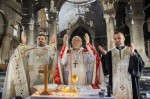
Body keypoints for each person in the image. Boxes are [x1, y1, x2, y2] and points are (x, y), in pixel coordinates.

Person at [2, 31, 58, 99]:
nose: (40, 40)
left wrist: (52, 44)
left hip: (45, 75)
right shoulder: (30, 48)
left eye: (42, 39)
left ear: (45, 40)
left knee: (44, 92)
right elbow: (21, 54)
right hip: (32, 75)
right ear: (36, 40)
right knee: (32, 92)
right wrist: (23, 44)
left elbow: (54, 57)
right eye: (39, 39)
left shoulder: (49, 49)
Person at [98, 31, 144, 99]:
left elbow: (140, 65)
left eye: (119, 38)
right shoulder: (110, 53)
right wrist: (104, 56)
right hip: (115, 85)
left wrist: (133, 55)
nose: (117, 40)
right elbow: (106, 69)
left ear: (124, 39)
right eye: (115, 39)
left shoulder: (132, 50)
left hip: (130, 84)